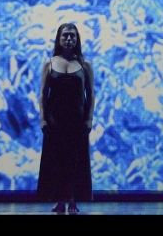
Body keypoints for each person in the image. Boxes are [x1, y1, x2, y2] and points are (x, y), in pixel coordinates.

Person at [36, 22, 94, 214]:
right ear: (59, 39)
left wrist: (89, 119)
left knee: (75, 162)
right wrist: (43, 118)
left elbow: (91, 95)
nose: (69, 39)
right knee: (57, 161)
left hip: (77, 121)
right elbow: (43, 95)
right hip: (55, 121)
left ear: (77, 40)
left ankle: (73, 201)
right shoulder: (49, 64)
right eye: (65, 36)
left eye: (72, 36)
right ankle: (59, 201)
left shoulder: (85, 66)